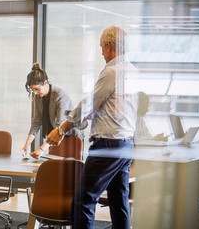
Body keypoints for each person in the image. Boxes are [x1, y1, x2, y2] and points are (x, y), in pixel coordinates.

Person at [46, 26, 137, 229]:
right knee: (118, 201)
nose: (101, 53)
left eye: (101, 48)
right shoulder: (132, 70)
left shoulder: (112, 71)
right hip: (126, 145)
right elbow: (115, 108)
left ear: (108, 46)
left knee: (83, 201)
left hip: (108, 146)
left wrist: (61, 130)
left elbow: (89, 103)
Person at [22, 62, 83, 159]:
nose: (35, 93)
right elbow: (36, 122)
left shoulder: (60, 96)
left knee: (66, 171)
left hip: (71, 138)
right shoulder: (38, 97)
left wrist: (41, 149)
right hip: (53, 140)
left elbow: (60, 126)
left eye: (37, 89)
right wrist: (26, 145)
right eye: (32, 90)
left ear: (45, 82)